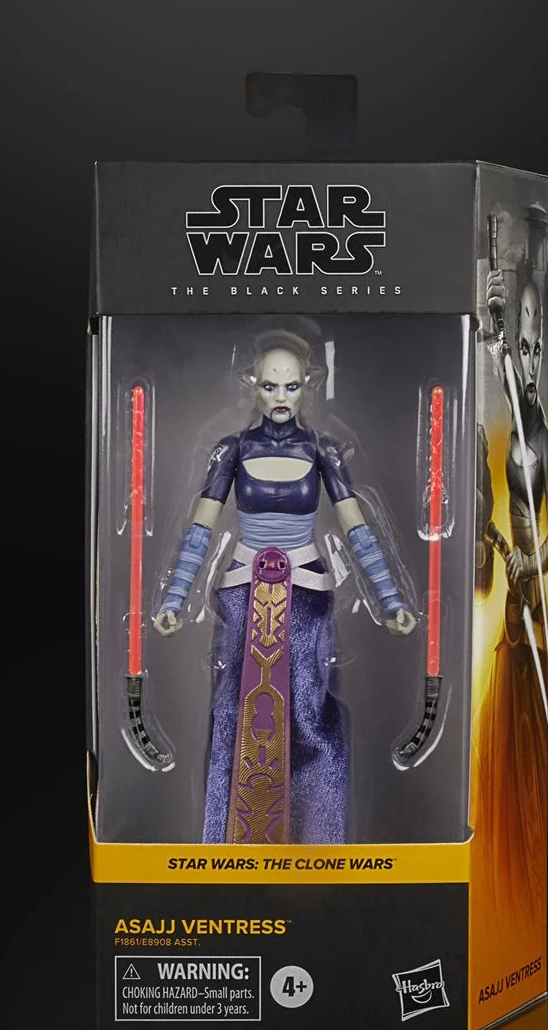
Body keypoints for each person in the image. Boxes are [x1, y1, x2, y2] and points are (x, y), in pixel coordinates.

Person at [155, 326, 414, 844]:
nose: (280, 396)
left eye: (290, 386)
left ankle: (317, 837)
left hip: (306, 594)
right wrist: (175, 597)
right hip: (241, 593)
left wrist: (389, 599)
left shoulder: (323, 451)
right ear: (252, 384)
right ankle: (230, 839)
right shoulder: (231, 450)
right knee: (234, 708)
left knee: (309, 708)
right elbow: (200, 530)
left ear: (305, 386)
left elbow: (357, 530)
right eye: (270, 385)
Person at [477, 271, 548, 925]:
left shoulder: (541, 425)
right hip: (516, 594)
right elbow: (504, 371)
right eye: (521, 348)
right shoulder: (519, 408)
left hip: (535, 600)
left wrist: (535, 558)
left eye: (533, 347)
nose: (527, 361)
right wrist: (495, 325)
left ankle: (530, 891)